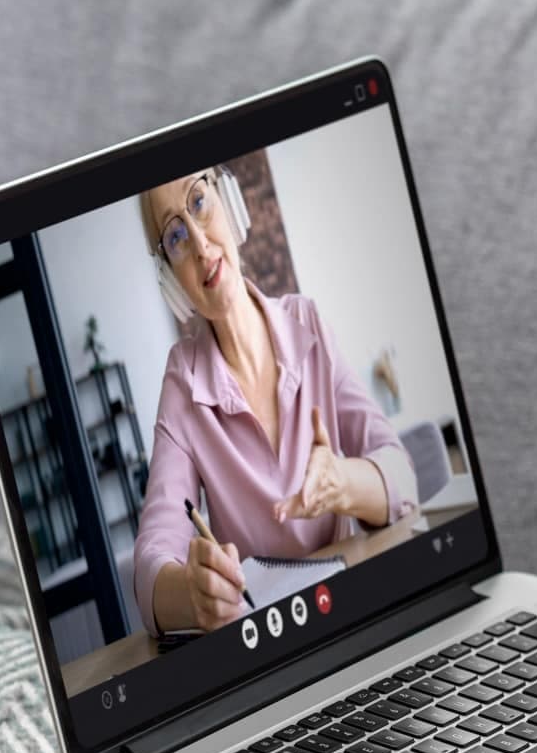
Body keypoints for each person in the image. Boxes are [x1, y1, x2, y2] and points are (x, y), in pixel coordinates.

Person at [132, 166, 418, 633]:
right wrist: (190, 594)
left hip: (360, 616)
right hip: (270, 645)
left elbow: (402, 475)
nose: (201, 246)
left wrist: (342, 483)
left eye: (199, 202)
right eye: (176, 236)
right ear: (170, 278)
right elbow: (150, 565)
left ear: (230, 201)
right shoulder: (182, 382)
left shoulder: (307, 322)